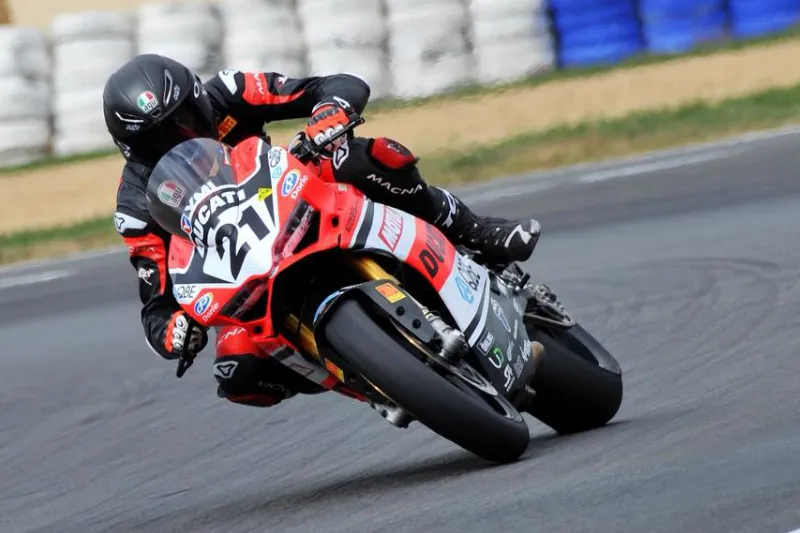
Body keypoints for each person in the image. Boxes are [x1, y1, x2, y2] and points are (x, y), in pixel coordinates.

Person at [104, 53, 541, 421]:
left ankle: (472, 230)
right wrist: (175, 331)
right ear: (132, 149)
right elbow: (156, 303)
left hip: (289, 193)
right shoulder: (135, 207)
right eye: (158, 138)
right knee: (238, 373)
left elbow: (334, 85)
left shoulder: (230, 91)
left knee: (361, 158)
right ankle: (379, 385)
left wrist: (327, 114)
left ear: (197, 98)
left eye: (181, 120)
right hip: (238, 266)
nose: (179, 136)